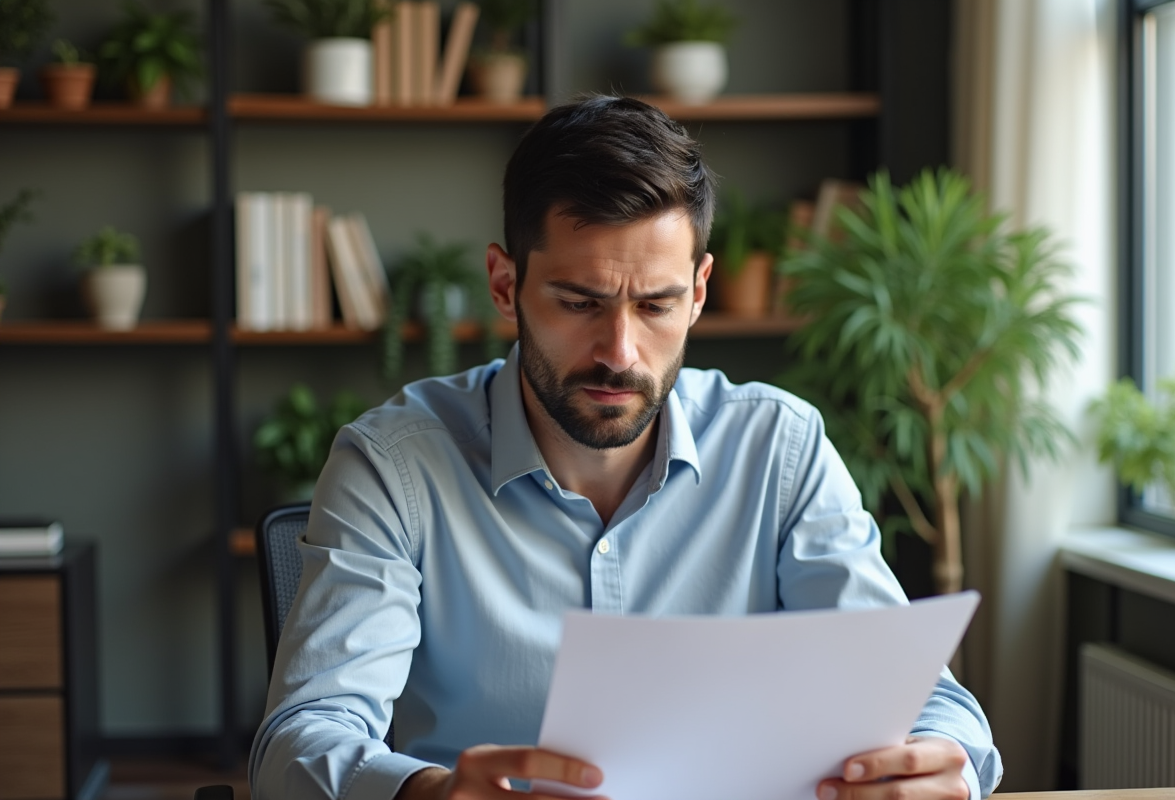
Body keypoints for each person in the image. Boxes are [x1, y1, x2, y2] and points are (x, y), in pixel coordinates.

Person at [249, 95, 1002, 800]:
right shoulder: (393, 465)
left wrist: (944, 767)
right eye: (580, 303)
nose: (620, 351)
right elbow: (299, 741)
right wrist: (431, 793)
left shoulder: (781, 449)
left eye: (656, 305)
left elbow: (927, 701)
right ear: (505, 284)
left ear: (700, 291)